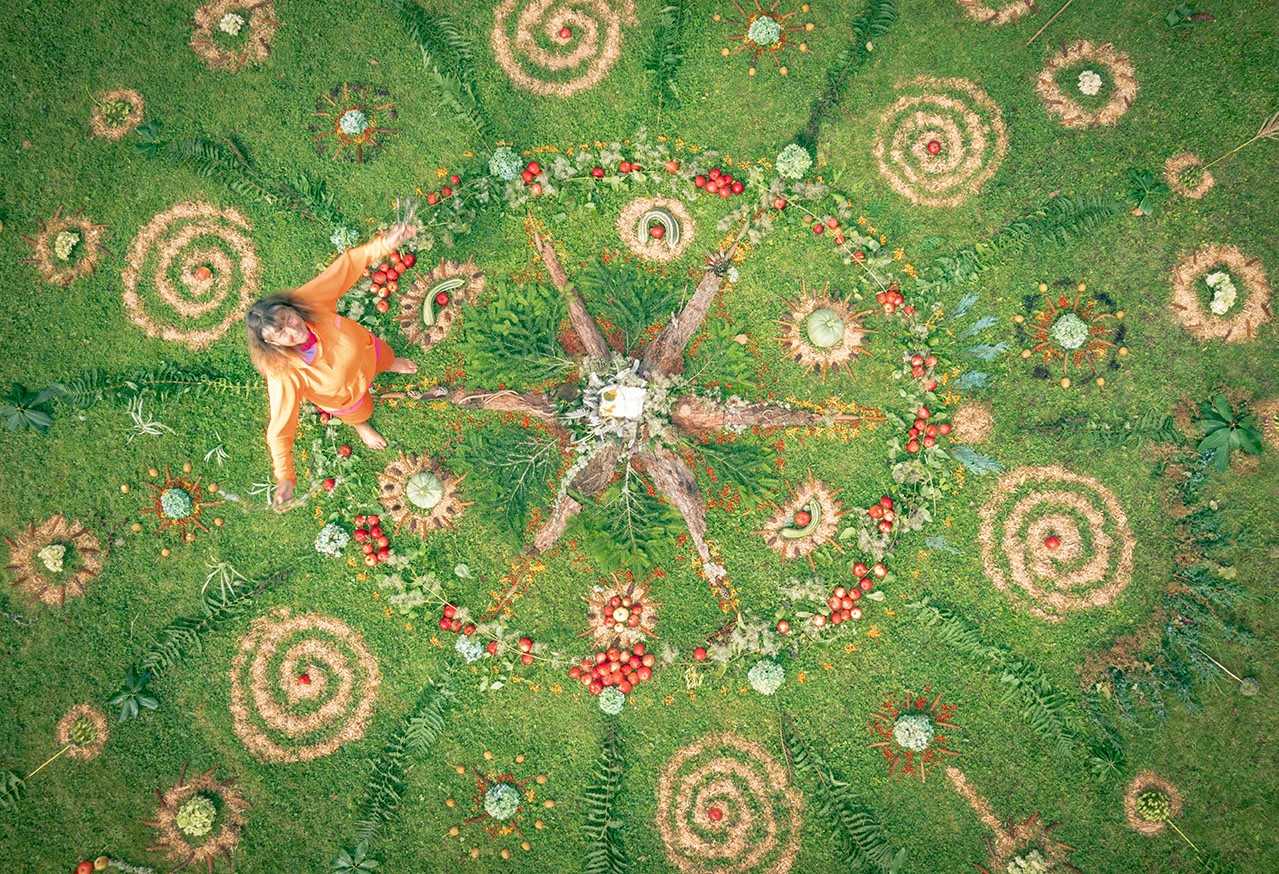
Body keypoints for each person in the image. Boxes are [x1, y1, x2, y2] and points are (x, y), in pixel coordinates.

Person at [245, 223, 419, 508]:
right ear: (273, 345)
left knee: (386, 357)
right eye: (281, 334)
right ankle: (361, 426)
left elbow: (347, 266)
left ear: (291, 309)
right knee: (360, 412)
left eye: (288, 318)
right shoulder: (283, 373)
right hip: (346, 397)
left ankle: (391, 364)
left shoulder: (309, 302)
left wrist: (384, 244)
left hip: (369, 352)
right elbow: (280, 428)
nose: (292, 330)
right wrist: (285, 477)